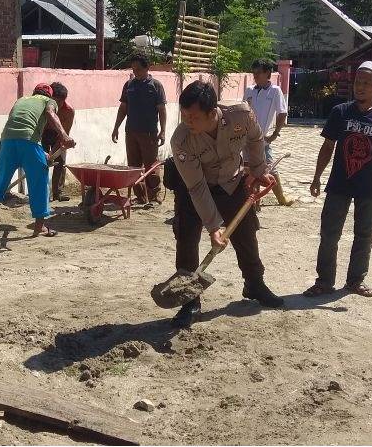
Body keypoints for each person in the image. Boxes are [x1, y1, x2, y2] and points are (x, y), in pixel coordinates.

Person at [170, 80, 284, 328]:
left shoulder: (240, 115)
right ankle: (189, 300)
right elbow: (197, 187)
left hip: (232, 182)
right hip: (194, 188)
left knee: (247, 234)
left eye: (194, 117)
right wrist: (213, 227)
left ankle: (254, 284)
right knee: (187, 238)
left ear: (212, 113)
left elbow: (256, 138)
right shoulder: (181, 140)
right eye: (184, 115)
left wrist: (258, 169)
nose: (188, 122)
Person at [305, 61, 372, 298]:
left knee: (364, 235)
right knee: (329, 234)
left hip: (369, 186)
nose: (359, 87)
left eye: (366, 83)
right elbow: (327, 146)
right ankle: (324, 281)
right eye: (357, 82)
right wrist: (316, 177)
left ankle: (355, 281)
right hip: (339, 183)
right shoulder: (340, 112)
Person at [0, 83, 75, 237]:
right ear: (49, 95)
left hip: (7, 141)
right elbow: (50, 113)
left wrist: (41, 153)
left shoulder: (21, 100)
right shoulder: (49, 101)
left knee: (0, 180)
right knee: (39, 183)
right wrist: (64, 136)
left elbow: (15, 120)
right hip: (30, 142)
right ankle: (39, 228)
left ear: (34, 92)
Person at [111, 53, 167, 204]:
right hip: (131, 132)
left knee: (151, 166)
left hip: (149, 133)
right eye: (133, 69)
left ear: (147, 68)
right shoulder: (129, 85)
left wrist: (163, 131)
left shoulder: (156, 86)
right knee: (133, 167)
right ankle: (141, 196)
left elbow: (162, 110)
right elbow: (123, 108)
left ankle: (153, 195)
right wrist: (116, 127)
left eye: (139, 69)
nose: (135, 72)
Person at [243, 58, 293, 206]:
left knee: (270, 168)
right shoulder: (249, 90)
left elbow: (282, 113)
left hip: (261, 139)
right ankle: (253, 200)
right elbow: (243, 111)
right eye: (254, 72)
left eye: (259, 72)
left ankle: (281, 198)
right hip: (246, 138)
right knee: (249, 169)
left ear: (267, 74)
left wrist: (275, 134)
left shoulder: (275, 91)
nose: (255, 75)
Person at [42, 82, 75, 202]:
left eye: (61, 102)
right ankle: (42, 193)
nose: (58, 105)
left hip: (58, 136)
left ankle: (57, 193)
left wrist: (54, 153)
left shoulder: (69, 111)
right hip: (42, 134)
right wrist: (46, 154)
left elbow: (64, 135)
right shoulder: (42, 107)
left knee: (60, 162)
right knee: (41, 162)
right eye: (56, 101)